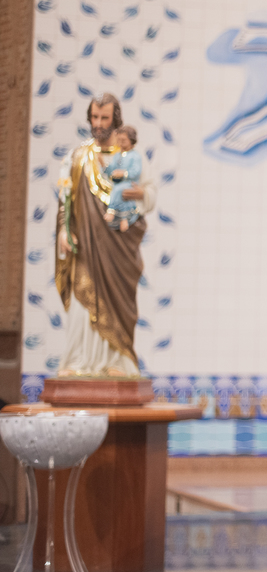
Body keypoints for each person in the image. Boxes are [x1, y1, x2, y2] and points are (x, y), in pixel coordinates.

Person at [56, 94, 156, 378]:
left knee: (119, 301)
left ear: (116, 120)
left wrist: (140, 194)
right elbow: (66, 199)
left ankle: (118, 359)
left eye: (105, 118)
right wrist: (64, 230)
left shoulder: (132, 157)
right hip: (85, 247)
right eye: (95, 118)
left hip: (118, 247)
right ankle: (78, 361)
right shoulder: (78, 158)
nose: (99, 124)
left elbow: (150, 194)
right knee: (81, 304)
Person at [103, 125, 143, 232]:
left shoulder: (135, 156)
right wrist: (105, 166)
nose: (121, 143)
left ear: (131, 140)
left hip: (130, 183)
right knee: (117, 190)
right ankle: (123, 218)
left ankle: (112, 211)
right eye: (119, 140)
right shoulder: (117, 155)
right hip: (118, 182)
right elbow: (112, 168)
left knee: (119, 190)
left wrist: (124, 173)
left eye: (123, 140)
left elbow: (136, 171)